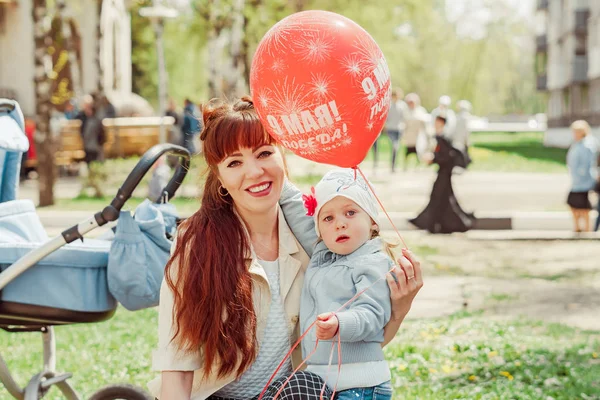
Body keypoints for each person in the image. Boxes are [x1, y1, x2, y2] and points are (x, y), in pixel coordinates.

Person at [148, 97, 423, 400]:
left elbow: (353, 344)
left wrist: (399, 307)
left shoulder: (319, 238)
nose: (254, 172)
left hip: (294, 393)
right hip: (219, 397)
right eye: (234, 162)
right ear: (220, 178)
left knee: (309, 389)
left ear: (282, 156)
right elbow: (177, 364)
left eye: (264, 153)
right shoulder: (197, 243)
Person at [292, 168, 397, 399]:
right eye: (328, 218)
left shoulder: (373, 262)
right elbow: (296, 215)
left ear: (372, 222)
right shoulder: (323, 256)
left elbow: (373, 314)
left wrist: (340, 323)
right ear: (320, 231)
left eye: (350, 213)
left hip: (360, 385)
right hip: (323, 380)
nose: (339, 224)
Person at [409, 115, 475, 234]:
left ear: (442, 123)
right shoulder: (439, 136)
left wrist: (433, 158)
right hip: (443, 173)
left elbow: (446, 156)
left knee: (440, 198)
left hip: (445, 173)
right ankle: (439, 224)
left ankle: (437, 224)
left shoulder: (444, 137)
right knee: (444, 199)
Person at [566, 120, 598, 233]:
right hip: (577, 181)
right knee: (574, 204)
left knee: (583, 206)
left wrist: (583, 177)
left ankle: (586, 228)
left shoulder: (586, 145)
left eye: (576, 131)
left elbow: (587, 165)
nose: (573, 134)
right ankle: (578, 227)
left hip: (583, 181)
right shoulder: (578, 143)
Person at [374, 89, 406, 173]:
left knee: (396, 147)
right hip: (390, 128)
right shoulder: (389, 105)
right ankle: (380, 163)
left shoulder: (402, 106)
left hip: (398, 129)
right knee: (393, 146)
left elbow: (403, 118)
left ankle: (393, 165)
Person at [402, 93, 429, 170]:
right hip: (409, 137)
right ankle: (405, 166)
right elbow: (404, 124)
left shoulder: (421, 110)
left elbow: (425, 122)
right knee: (407, 153)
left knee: (418, 152)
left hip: (418, 137)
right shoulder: (406, 111)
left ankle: (419, 166)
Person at [453, 100, 472, 168]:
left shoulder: (458, 117)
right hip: (462, 138)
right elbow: (467, 130)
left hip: (458, 138)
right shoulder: (466, 117)